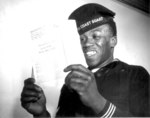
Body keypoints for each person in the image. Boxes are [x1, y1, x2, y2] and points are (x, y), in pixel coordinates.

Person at [20, 3, 150, 117]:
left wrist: (98, 102)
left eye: (96, 36)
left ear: (113, 41)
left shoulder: (135, 74)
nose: (87, 43)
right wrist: (41, 113)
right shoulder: (71, 83)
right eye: (82, 38)